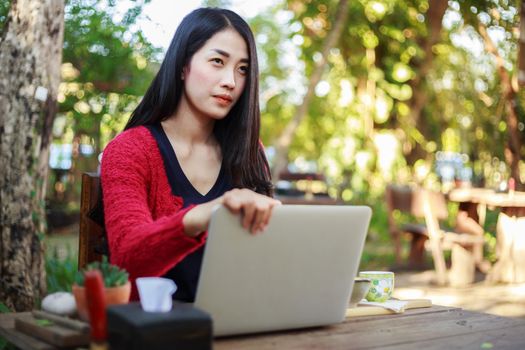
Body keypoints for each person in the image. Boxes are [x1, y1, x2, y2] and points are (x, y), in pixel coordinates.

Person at [100, 7, 280, 302]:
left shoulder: (250, 151)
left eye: (242, 69)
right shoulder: (130, 150)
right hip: (157, 327)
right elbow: (127, 257)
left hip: (238, 323)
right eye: (217, 61)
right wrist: (205, 213)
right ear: (183, 65)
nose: (231, 82)